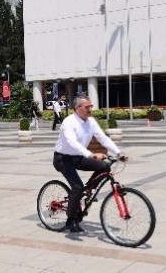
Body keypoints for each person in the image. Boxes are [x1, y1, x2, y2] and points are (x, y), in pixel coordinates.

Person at [52, 95, 128, 232]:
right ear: (77, 108)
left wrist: (118, 153)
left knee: (104, 166)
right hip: (63, 158)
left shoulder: (91, 121)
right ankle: (71, 220)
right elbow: (72, 142)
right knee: (77, 187)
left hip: (79, 157)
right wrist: (91, 154)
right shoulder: (68, 122)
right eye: (87, 107)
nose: (90, 110)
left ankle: (88, 190)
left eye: (91, 107)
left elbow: (103, 138)